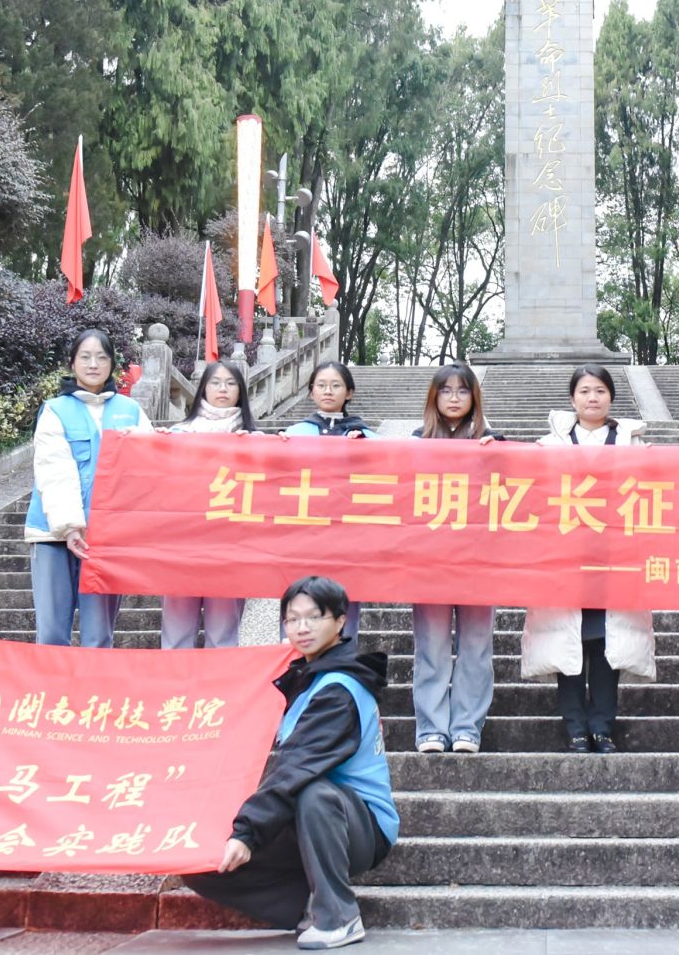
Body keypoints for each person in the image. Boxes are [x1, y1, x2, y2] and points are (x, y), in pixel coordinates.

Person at [183, 576, 396, 950]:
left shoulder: (339, 690)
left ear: (340, 620)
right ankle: (310, 903)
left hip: (359, 826)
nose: (302, 627)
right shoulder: (308, 677)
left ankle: (339, 916)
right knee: (199, 864)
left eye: (314, 617)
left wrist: (247, 832)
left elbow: (298, 768)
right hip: (304, 817)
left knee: (314, 793)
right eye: (293, 619)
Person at [520, 365, 657, 753]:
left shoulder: (635, 446)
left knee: (607, 644)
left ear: (611, 397)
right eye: (584, 391)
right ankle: (575, 727)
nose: (592, 398)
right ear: (572, 399)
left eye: (599, 390)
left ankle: (602, 726)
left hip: (616, 559)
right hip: (565, 560)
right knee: (569, 644)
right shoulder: (548, 447)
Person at [26, 329, 143, 648]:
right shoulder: (55, 410)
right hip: (53, 534)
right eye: (86, 357)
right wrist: (70, 526)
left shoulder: (131, 411)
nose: (93, 364)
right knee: (51, 634)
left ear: (112, 364)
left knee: (99, 635)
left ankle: (95, 684)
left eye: (102, 357)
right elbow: (54, 469)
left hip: (106, 538)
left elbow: (152, 464)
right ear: (72, 362)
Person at [408, 364, 503, 753]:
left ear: (474, 398)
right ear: (434, 397)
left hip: (480, 561)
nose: (453, 398)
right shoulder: (415, 443)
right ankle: (431, 727)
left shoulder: (494, 444)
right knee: (430, 645)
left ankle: (467, 726)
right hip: (429, 561)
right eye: (445, 390)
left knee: (476, 647)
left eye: (462, 391)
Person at [162, 361, 258, 650]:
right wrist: (153, 445)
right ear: (203, 388)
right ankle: (175, 681)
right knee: (177, 633)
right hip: (182, 543)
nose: (222, 389)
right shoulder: (178, 434)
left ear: (240, 391)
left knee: (223, 635)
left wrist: (261, 450)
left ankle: (221, 681)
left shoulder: (256, 440)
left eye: (230, 383)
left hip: (231, 546)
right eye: (215, 382)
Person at [279, 362, 369, 638]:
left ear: (349, 392)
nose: (328, 391)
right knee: (299, 600)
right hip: (301, 536)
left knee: (343, 608)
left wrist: (364, 449)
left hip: (348, 539)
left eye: (336, 385)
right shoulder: (291, 435)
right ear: (311, 392)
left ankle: (340, 662)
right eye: (321, 385)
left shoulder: (366, 437)